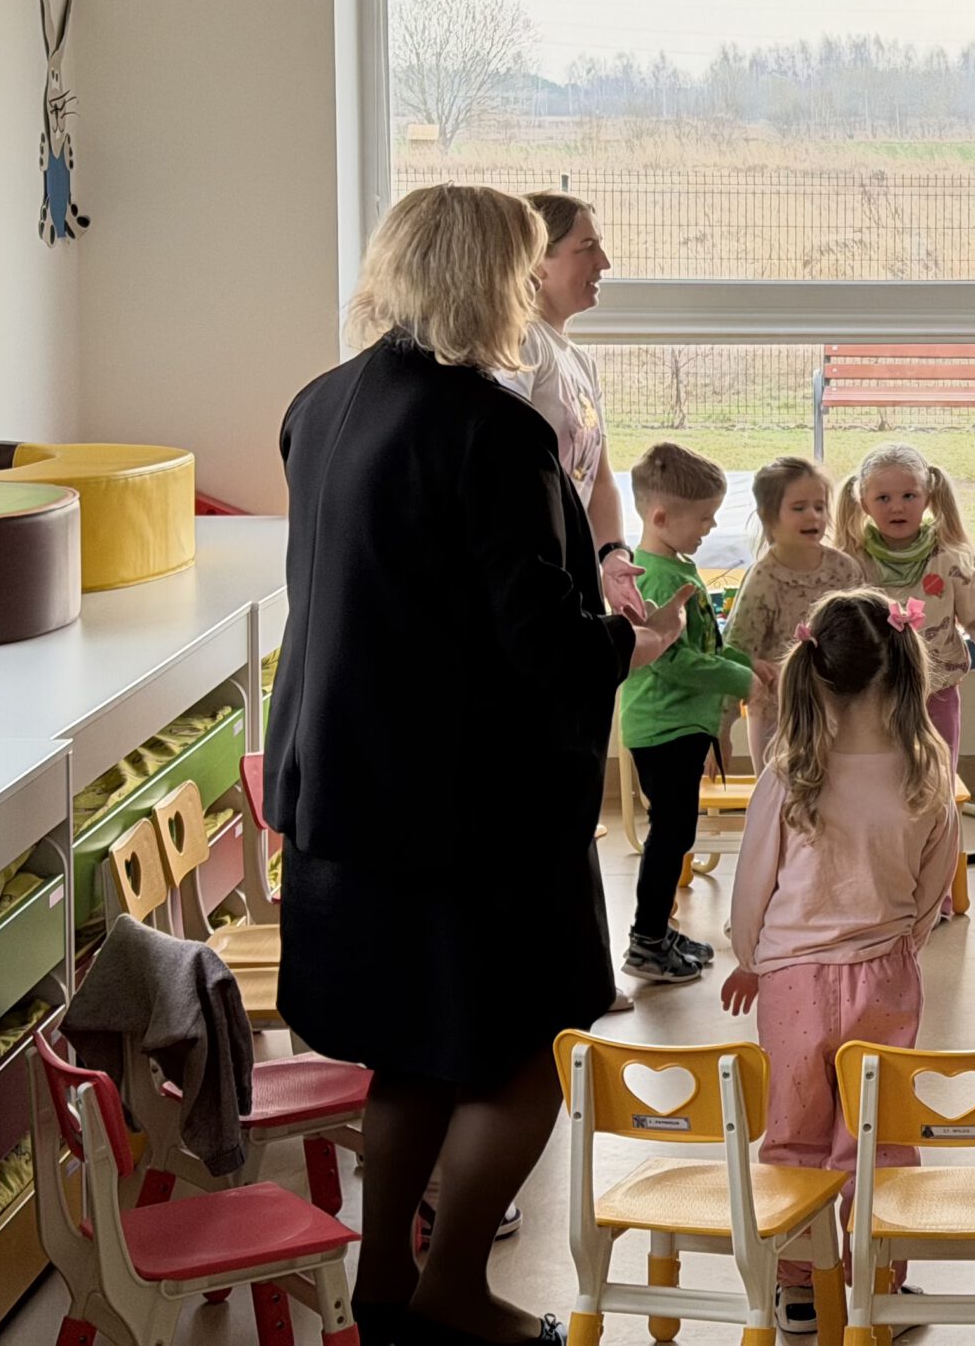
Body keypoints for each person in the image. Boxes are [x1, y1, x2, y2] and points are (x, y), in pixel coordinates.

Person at [268, 183, 690, 1346]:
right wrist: (633, 641)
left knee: (408, 1051)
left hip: (342, 790)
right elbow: (537, 641)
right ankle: (453, 1283)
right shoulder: (491, 429)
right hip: (467, 812)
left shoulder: (320, 405)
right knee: (534, 1046)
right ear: (489, 278)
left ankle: (386, 1286)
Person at [720, 589, 958, 1337]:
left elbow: (752, 887)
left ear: (813, 669)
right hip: (885, 973)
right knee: (877, 1134)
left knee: (793, 1132)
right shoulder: (926, 769)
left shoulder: (788, 771)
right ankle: (877, 1290)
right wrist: (902, 945)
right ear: (904, 670)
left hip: (790, 979)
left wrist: (751, 956)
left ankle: (798, 1290)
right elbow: (935, 887)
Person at [618, 441, 777, 987]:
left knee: (677, 833)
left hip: (683, 727)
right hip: (664, 729)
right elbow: (673, 661)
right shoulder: (655, 578)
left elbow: (706, 646)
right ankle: (646, 941)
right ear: (661, 517)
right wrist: (741, 680)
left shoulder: (675, 567)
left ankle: (658, 933)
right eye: (704, 517)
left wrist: (748, 663)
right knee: (671, 836)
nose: (711, 527)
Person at [834, 441, 975, 770]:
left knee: (938, 779)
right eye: (883, 498)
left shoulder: (952, 560)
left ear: (928, 496)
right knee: (876, 781)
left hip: (936, 695)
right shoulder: (849, 564)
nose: (896, 507)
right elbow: (833, 631)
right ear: (864, 504)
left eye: (909, 495)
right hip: (870, 699)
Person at [506, 191, 643, 620]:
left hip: (571, 567)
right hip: (531, 574)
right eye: (586, 248)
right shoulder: (521, 344)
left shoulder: (580, 361)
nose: (604, 262)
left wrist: (612, 555)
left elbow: (598, 478)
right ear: (536, 261)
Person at [724, 456, 864, 766]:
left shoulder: (844, 570)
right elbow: (736, 653)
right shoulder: (763, 580)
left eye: (819, 506)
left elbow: (863, 636)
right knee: (776, 790)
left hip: (835, 708)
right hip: (776, 714)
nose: (813, 515)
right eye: (799, 508)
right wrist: (721, 728)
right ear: (768, 516)